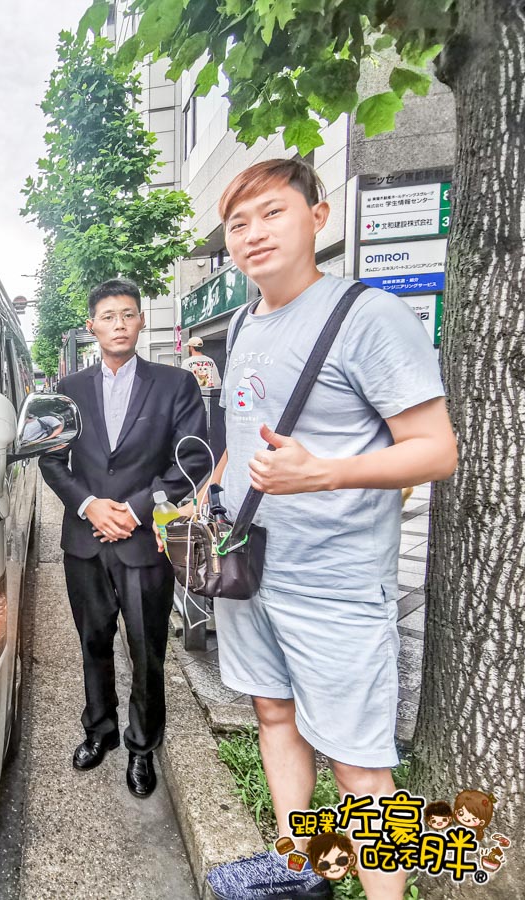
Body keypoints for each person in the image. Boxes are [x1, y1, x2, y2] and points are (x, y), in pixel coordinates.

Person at [175, 158, 457, 900]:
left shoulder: (368, 315)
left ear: (318, 218)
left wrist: (323, 473)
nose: (253, 234)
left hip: (333, 584)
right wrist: (205, 496)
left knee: (359, 760)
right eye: (239, 223)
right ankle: (300, 868)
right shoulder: (240, 321)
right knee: (272, 712)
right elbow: (249, 436)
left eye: (272, 213)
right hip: (248, 567)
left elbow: (437, 450)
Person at [39, 278, 210, 796]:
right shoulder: (66, 393)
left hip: (142, 544)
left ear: (141, 322)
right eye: (108, 316)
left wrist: (134, 511)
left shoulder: (175, 384)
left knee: (146, 648)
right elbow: (51, 459)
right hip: (85, 540)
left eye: (129, 314)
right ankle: (100, 730)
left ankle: (142, 745)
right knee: (93, 642)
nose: (119, 324)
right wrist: (90, 504)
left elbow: (194, 458)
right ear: (91, 327)